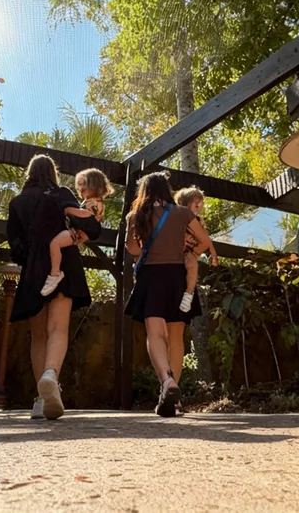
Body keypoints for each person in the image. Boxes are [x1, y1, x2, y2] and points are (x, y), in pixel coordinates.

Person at [6, 155, 92, 420]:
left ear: (29, 174)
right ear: (53, 173)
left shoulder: (18, 202)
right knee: (58, 328)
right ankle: (50, 375)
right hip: (64, 264)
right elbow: (83, 224)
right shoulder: (61, 193)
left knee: (39, 335)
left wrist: (31, 258)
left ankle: (40, 399)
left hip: (33, 268)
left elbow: (15, 244)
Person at [123, 172, 215, 417]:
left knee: (155, 333)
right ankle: (174, 400)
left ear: (144, 191)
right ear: (167, 190)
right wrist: (189, 254)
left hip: (151, 277)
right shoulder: (182, 213)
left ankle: (166, 382)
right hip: (178, 277)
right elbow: (205, 242)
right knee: (176, 337)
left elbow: (132, 248)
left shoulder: (136, 216)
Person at [42, 168, 113, 296]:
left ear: (94, 185)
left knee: (55, 244)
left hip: (79, 231)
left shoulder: (94, 203)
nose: (80, 188)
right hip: (79, 232)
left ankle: (55, 273)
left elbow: (88, 215)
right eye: (79, 184)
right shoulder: (92, 201)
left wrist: (69, 210)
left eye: (83, 184)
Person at [173, 187, 217, 313]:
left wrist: (213, 253)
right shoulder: (177, 218)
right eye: (196, 204)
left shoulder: (199, 222)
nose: (199, 206)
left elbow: (206, 239)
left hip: (189, 253)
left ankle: (189, 294)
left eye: (201, 204)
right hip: (175, 253)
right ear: (186, 204)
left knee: (193, 266)